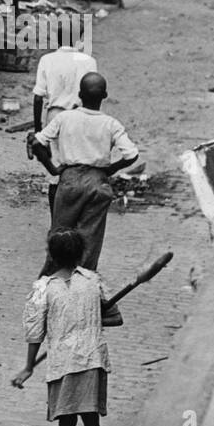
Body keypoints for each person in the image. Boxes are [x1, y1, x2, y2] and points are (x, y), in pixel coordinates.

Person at [11, 228, 119, 426]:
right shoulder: (94, 281)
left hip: (64, 363)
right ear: (82, 254)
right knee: (91, 421)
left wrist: (28, 367)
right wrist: (91, 319)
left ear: (52, 256)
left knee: (66, 424)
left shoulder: (44, 289)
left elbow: (35, 333)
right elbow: (115, 318)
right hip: (93, 359)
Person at [31, 72, 138, 280]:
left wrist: (52, 168)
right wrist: (112, 168)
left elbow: (37, 143)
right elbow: (132, 154)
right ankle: (83, 287)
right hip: (97, 182)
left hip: (69, 181)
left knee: (59, 237)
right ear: (104, 95)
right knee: (89, 243)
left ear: (79, 94)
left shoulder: (65, 117)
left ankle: (47, 286)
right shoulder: (111, 123)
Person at [32, 26, 98, 213]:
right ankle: (76, 217)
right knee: (80, 165)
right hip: (81, 116)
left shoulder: (47, 60)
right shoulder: (88, 61)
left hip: (55, 116)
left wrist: (38, 131)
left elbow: (38, 97)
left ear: (58, 39)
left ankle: (56, 222)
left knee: (55, 172)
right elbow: (93, 92)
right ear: (79, 40)